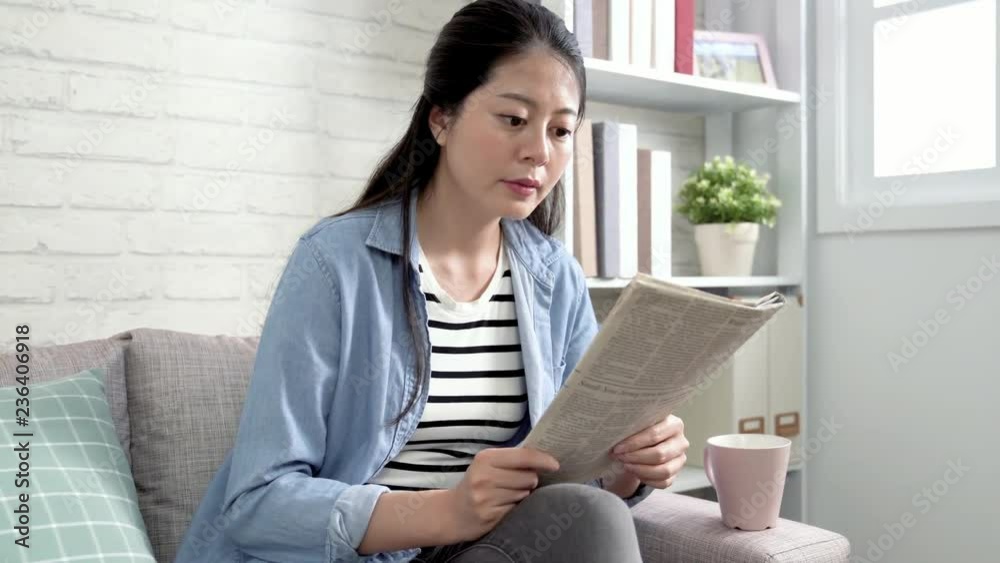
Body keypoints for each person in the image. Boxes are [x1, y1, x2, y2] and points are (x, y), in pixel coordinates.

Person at [174, 1, 689, 561]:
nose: (539, 151)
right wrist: (447, 510)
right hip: (353, 556)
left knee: (594, 512)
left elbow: (567, 483)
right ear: (441, 119)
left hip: (482, 551)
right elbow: (259, 502)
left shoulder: (554, 277)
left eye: (561, 130)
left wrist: (630, 469)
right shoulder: (333, 263)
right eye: (513, 119)